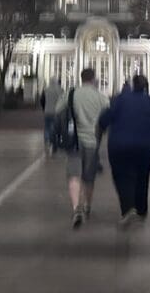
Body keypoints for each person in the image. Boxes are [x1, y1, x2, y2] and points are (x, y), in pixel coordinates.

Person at [98, 74, 150, 227]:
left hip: (120, 145)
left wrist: (101, 127)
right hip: (147, 146)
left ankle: (128, 208)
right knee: (142, 177)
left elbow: (106, 117)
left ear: (132, 85)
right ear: (146, 86)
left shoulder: (120, 100)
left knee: (122, 176)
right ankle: (141, 210)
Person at [55, 68, 109, 228]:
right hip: (92, 142)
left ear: (81, 78)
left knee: (73, 175)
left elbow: (58, 110)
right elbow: (107, 117)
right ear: (94, 79)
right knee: (89, 177)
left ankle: (75, 208)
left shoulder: (71, 94)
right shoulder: (101, 97)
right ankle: (87, 205)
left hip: (74, 141)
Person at [40, 79, 64, 153]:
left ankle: (47, 140)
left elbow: (42, 100)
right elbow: (63, 101)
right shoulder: (60, 90)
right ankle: (53, 141)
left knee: (47, 126)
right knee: (54, 128)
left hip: (47, 111)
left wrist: (44, 108)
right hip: (56, 112)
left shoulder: (46, 90)